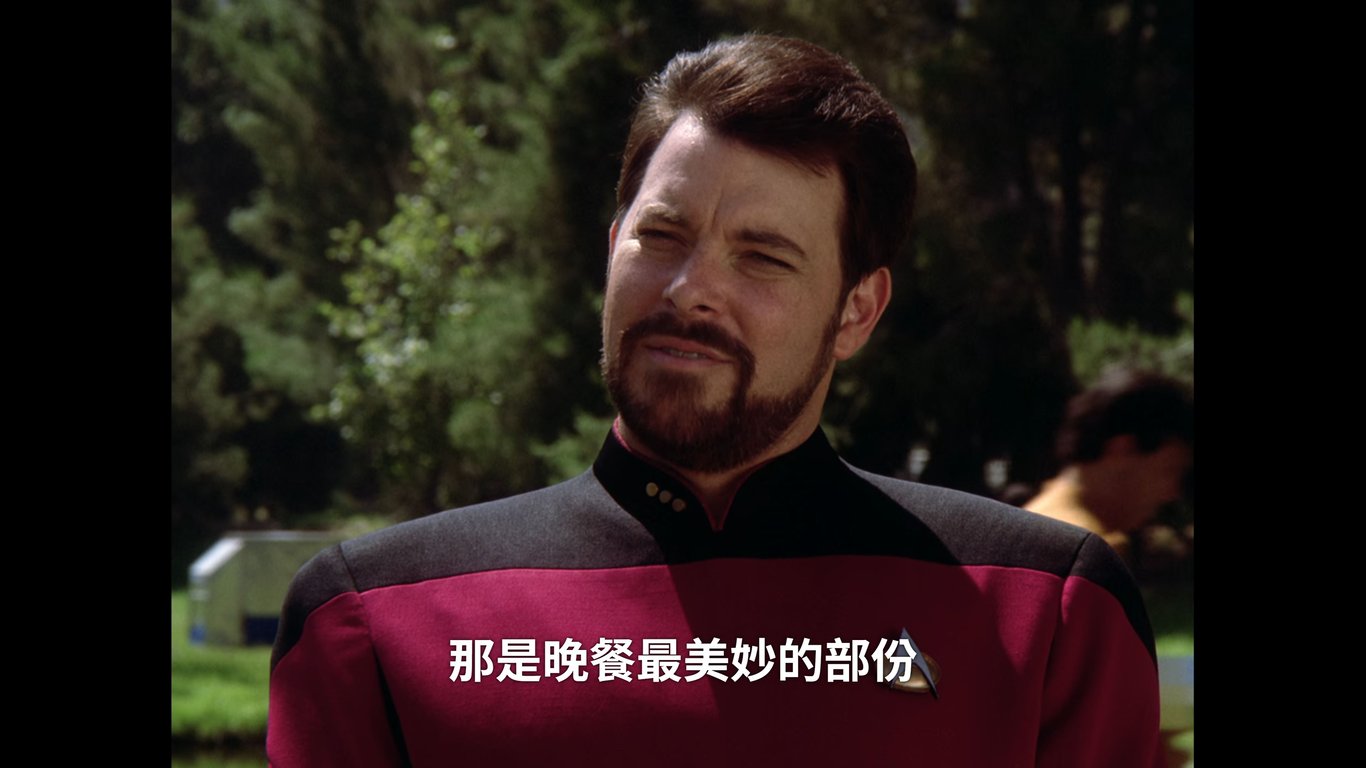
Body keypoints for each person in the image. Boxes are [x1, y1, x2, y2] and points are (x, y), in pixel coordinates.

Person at [268, 34, 1163, 767]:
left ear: (857, 311)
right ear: (612, 249)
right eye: (661, 235)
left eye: (763, 257)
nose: (691, 288)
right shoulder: (375, 622)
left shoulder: (1043, 616)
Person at [1026, 369, 1194, 563]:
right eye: (1169, 470)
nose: (1172, 493)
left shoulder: (1034, 519)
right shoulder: (1089, 554)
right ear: (1122, 450)